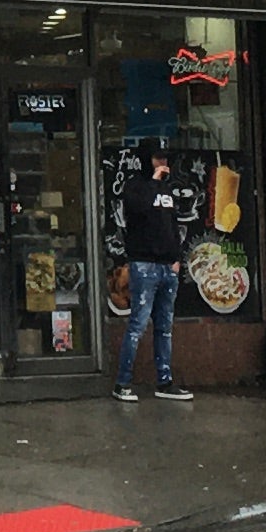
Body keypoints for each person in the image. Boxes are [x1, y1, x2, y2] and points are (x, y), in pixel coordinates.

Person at [111, 140, 190, 406]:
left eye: (165, 159)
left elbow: (171, 223)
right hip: (143, 264)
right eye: (158, 159)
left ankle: (165, 381)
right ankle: (123, 382)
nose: (163, 163)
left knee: (164, 327)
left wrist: (177, 258)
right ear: (147, 160)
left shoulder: (167, 190)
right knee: (138, 325)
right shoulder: (135, 186)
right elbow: (137, 211)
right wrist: (155, 182)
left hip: (168, 266)